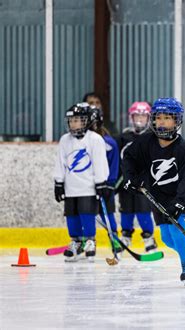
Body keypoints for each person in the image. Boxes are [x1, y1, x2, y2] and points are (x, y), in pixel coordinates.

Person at [122, 98, 185, 287]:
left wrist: (180, 202)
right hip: (157, 196)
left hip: (179, 196)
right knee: (167, 238)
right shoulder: (145, 141)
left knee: (177, 228)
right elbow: (129, 157)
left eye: (167, 118)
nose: (162, 121)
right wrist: (130, 178)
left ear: (177, 121)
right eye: (158, 117)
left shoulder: (184, 149)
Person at [53, 103, 109, 262]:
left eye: (78, 120)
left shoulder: (95, 139)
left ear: (87, 121)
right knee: (71, 216)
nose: (73, 124)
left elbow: (100, 162)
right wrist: (58, 182)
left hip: (88, 187)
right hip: (71, 187)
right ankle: (76, 242)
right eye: (71, 121)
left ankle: (90, 241)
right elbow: (61, 161)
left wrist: (101, 182)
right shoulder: (65, 140)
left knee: (86, 215)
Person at [115, 102, 157, 252]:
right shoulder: (123, 137)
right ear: (131, 117)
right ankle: (126, 236)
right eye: (137, 115)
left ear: (149, 118)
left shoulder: (153, 137)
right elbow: (116, 159)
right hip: (126, 182)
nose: (140, 119)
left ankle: (148, 238)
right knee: (126, 210)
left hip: (144, 183)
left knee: (143, 210)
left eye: (143, 116)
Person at [88, 105, 121, 254]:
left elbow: (114, 166)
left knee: (108, 214)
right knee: (86, 215)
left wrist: (110, 184)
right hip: (86, 186)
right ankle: (88, 241)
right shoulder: (80, 143)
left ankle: (114, 238)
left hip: (104, 185)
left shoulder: (109, 143)